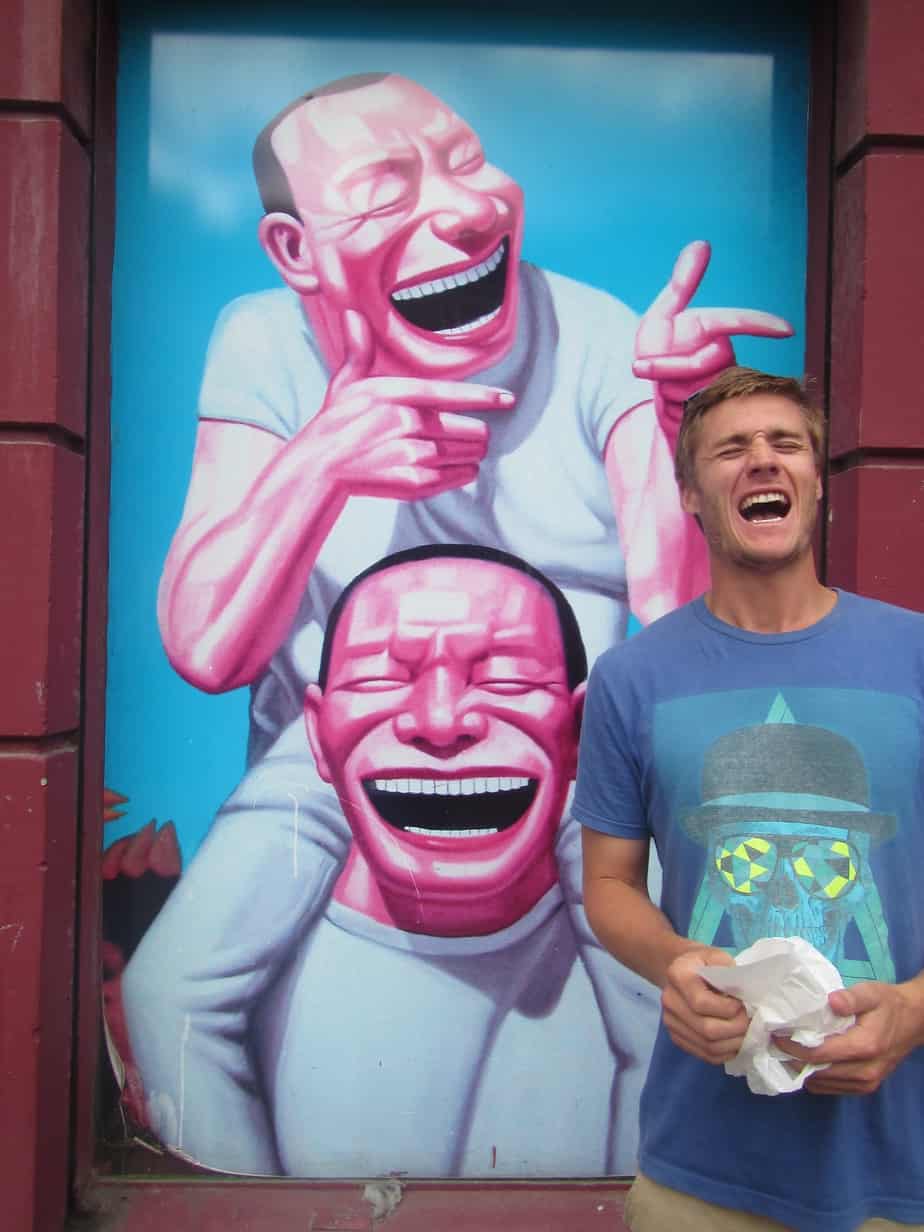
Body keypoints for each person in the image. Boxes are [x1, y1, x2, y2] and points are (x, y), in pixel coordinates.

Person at [122, 546, 659, 1178]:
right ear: (318, 732)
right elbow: (167, 1000)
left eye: (508, 680)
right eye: (379, 680)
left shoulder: (625, 947)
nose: (441, 722)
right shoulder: (238, 948)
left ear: (576, 725)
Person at [573, 366, 924, 1232]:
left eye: (786, 443)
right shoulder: (631, 678)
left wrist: (914, 1011)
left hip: (903, 1171)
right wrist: (674, 963)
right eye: (731, 449)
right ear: (691, 494)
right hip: (702, 1177)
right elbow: (609, 884)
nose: (762, 460)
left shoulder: (915, 655)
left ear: (817, 482)